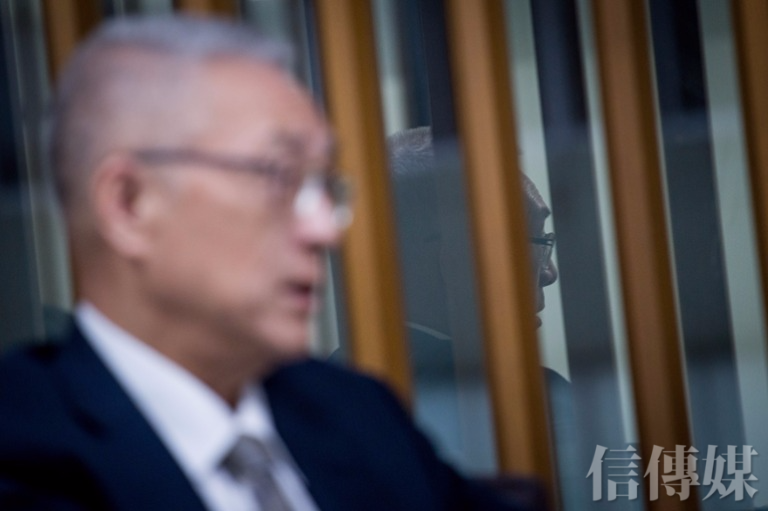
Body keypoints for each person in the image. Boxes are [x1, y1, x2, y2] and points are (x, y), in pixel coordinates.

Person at [0, 16, 539, 511]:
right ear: (129, 204)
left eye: (324, 185)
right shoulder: (22, 450)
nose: (325, 229)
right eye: (278, 176)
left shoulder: (357, 413)